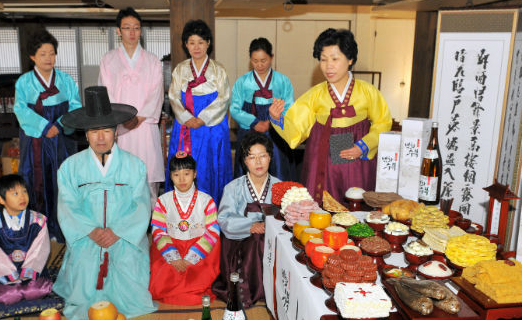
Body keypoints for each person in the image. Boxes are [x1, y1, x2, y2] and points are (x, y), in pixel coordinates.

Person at [53, 86, 157, 320]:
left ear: (116, 132)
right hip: (86, 237)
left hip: (124, 238)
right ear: (86, 134)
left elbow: (141, 206)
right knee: (83, 279)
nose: (100, 137)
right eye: (94, 131)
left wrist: (117, 232)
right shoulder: (70, 167)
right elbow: (68, 206)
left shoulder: (135, 165)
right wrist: (92, 231)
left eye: (106, 131)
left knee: (131, 284)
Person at [269, 28, 392, 204]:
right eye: (323, 59)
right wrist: (277, 118)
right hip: (322, 160)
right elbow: (296, 128)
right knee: (323, 207)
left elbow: (383, 122)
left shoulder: (368, 91)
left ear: (350, 59)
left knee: (356, 205)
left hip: (358, 157)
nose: (328, 66)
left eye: (335, 59)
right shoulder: (315, 95)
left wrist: (363, 146)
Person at [14, 29, 82, 242]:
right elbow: (20, 109)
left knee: (62, 182)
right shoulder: (24, 82)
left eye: (52, 53)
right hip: (36, 141)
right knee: (35, 182)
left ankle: (62, 230)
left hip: (62, 140)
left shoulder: (66, 80)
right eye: (43, 54)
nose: (48, 58)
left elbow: (76, 106)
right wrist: (44, 127)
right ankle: (38, 231)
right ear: (32, 56)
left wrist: (61, 125)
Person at [98, 7, 165, 206]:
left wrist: (140, 117)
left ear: (141, 30)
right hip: (120, 128)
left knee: (148, 181)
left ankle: (153, 229)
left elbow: (157, 93)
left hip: (144, 127)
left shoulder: (153, 61)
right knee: (121, 181)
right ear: (118, 31)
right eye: (127, 28)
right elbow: (104, 94)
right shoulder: (108, 60)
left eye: (136, 28)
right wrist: (120, 120)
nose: (132, 32)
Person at [166, 19, 232, 205]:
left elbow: (224, 98)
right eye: (192, 42)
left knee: (210, 167)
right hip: (186, 127)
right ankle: (181, 211)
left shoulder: (218, 70)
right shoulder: (180, 70)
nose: (196, 47)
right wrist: (187, 118)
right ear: (186, 44)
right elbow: (173, 97)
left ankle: (211, 211)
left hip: (211, 128)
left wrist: (202, 118)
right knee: (185, 168)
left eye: (201, 42)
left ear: (208, 43)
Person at [212, 131, 280, 307]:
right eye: (252, 157)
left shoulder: (280, 187)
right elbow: (224, 219)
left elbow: (287, 216)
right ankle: (251, 290)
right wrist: (250, 226)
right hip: (240, 237)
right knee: (255, 241)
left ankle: (270, 289)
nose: (258, 162)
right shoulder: (233, 187)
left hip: (271, 237)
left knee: (263, 240)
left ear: (270, 158)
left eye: (263, 156)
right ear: (244, 161)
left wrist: (269, 227)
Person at [149, 152, 221, 304]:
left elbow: (213, 231)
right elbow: (157, 230)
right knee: (166, 271)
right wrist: (173, 257)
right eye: (176, 175)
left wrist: (191, 257)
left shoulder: (206, 200)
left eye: (186, 174)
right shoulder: (163, 201)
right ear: (170, 176)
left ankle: (189, 288)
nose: (182, 179)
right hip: (171, 245)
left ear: (195, 174)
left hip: (199, 247)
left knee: (200, 270)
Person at [230, 37, 296, 181]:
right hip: (249, 129)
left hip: (275, 130)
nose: (259, 65)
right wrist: (254, 122)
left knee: (277, 167)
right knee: (249, 165)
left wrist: (271, 122)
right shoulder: (242, 82)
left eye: (263, 60)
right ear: (250, 59)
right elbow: (234, 108)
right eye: (255, 61)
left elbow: (290, 108)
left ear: (271, 57)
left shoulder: (282, 81)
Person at [0, 174, 52, 305]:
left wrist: (28, 272)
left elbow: (41, 249)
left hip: (32, 270)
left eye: (24, 191)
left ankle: (25, 288)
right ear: (1, 200)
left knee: (36, 291)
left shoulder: (38, 220)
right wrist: (10, 276)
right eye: (15, 193)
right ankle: (13, 288)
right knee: (8, 296)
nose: (22, 197)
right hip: (5, 272)